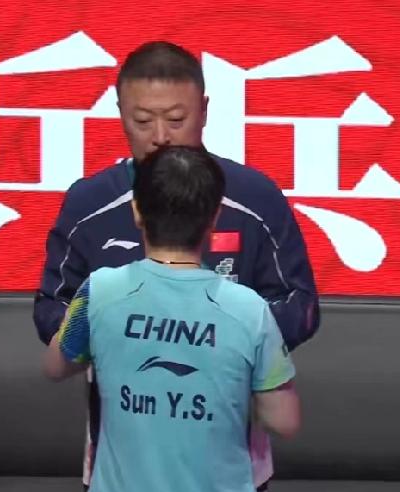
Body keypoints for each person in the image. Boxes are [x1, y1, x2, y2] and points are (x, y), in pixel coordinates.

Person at [34, 41, 320, 490]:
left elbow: (300, 304)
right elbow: (52, 307)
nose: (160, 136)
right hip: (120, 463)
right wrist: (116, 333)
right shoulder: (89, 204)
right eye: (142, 120)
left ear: (203, 110)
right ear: (119, 112)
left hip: (233, 464)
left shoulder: (256, 198)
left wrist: (221, 340)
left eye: (175, 119)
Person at [43, 145, 301, 492]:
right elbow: (284, 420)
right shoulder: (250, 310)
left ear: (136, 211)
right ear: (215, 217)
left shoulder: (98, 291)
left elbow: (55, 366)